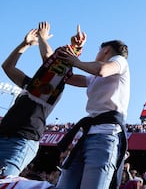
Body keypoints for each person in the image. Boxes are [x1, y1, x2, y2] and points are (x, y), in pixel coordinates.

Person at [0, 22, 86, 177]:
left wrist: (42, 38)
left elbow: (50, 58)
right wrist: (25, 44)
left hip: (20, 142)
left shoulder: (53, 86)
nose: (51, 61)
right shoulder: (31, 84)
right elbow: (7, 66)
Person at [55, 39, 130, 189]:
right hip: (87, 135)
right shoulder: (94, 76)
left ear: (106, 50)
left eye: (98, 50)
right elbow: (70, 78)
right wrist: (67, 54)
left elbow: (102, 70)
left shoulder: (119, 61)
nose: (97, 54)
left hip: (105, 136)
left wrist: (76, 61)